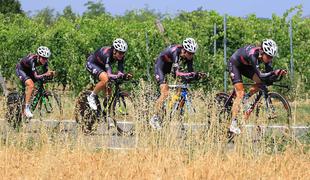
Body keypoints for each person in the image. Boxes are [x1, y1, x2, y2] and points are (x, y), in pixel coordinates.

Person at [228, 39, 287, 134]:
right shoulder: (253, 55)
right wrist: (274, 72)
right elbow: (261, 74)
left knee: (262, 83)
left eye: (271, 57)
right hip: (235, 64)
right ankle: (233, 124)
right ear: (262, 52)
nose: (269, 59)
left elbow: (267, 78)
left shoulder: (267, 58)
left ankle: (246, 98)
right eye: (268, 56)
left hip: (246, 66)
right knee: (240, 93)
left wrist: (277, 74)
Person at [149, 37, 202, 130]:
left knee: (181, 88)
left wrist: (196, 76)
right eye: (189, 53)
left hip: (170, 67)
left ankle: (172, 112)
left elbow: (190, 72)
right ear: (184, 50)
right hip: (160, 67)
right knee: (165, 92)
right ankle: (154, 117)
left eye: (193, 54)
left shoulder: (189, 57)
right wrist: (191, 74)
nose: (191, 56)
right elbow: (177, 72)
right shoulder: (175, 52)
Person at [86, 38, 130, 110]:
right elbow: (109, 74)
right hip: (92, 63)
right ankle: (91, 96)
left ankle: (104, 112)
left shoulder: (121, 56)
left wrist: (123, 75)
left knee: (109, 92)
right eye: (120, 53)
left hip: (102, 66)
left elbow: (120, 71)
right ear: (114, 51)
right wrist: (116, 75)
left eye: (123, 53)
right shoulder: (107, 55)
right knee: (105, 79)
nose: (121, 55)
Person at [16, 46, 54, 118]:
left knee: (37, 84)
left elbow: (45, 74)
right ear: (38, 56)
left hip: (29, 70)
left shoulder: (45, 62)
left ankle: (28, 100)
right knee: (31, 85)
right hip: (21, 69)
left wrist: (50, 75)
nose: (44, 60)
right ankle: (26, 109)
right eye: (43, 58)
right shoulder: (32, 60)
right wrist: (46, 74)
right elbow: (36, 76)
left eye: (46, 58)